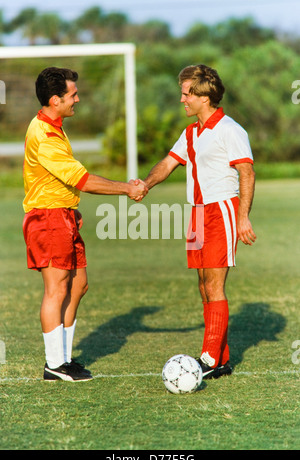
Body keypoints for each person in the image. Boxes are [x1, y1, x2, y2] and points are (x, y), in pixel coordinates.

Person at [22, 67, 148, 382]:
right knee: (57, 289)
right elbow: (84, 180)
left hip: (63, 216)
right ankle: (55, 365)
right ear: (55, 99)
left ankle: (63, 359)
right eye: (73, 94)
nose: (78, 98)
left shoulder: (54, 125)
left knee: (78, 285)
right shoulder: (45, 136)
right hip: (48, 218)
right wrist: (127, 188)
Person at [140, 64, 256, 379]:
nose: (182, 100)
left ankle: (207, 359)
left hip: (222, 210)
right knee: (203, 286)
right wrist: (145, 185)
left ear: (204, 97)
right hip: (197, 213)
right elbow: (168, 163)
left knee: (215, 285)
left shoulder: (230, 129)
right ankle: (221, 359)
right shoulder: (191, 132)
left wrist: (243, 217)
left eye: (186, 94)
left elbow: (246, 173)